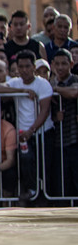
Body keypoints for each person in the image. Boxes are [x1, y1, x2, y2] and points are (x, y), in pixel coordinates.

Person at [0, 49, 53, 204]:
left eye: (28, 66)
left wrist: (32, 130)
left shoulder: (43, 84)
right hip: (23, 135)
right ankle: (31, 192)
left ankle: (44, 200)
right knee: (26, 164)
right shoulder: (16, 82)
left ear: (34, 67)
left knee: (45, 167)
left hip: (42, 132)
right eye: (21, 67)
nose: (24, 70)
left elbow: (45, 110)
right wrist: (21, 90)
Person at [48, 48, 78, 199]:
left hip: (74, 140)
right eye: (57, 64)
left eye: (64, 64)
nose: (60, 67)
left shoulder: (74, 80)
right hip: (58, 141)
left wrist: (55, 89)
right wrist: (55, 118)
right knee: (61, 183)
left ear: (71, 64)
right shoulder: (50, 82)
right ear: (52, 64)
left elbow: (74, 92)